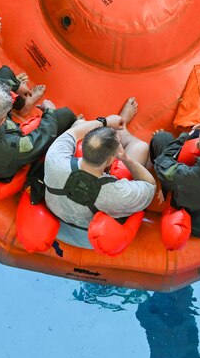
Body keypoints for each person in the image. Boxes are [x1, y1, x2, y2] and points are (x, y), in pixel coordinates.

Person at [43, 99, 157, 249]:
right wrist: (125, 157)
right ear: (111, 160)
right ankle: (122, 133)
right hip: (92, 237)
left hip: (59, 224)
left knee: (78, 125)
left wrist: (105, 122)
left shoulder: (55, 158)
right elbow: (150, 185)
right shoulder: (117, 193)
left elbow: (73, 133)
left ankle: (112, 132)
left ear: (82, 146)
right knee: (140, 147)